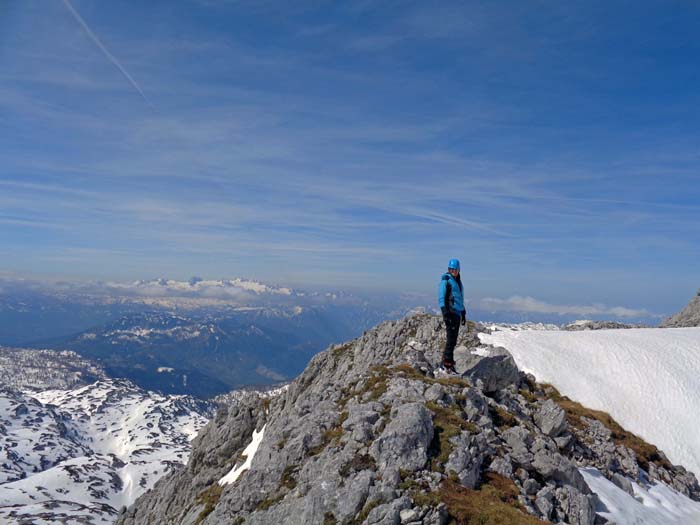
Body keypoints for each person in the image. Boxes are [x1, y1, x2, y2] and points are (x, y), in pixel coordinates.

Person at [438, 258, 466, 374]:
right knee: (450, 339)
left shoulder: (458, 282)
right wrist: (445, 313)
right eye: (451, 269)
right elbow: (441, 297)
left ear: (458, 270)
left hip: (457, 313)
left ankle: (448, 363)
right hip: (450, 313)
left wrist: (463, 312)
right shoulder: (446, 280)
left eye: (455, 269)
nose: (453, 271)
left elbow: (460, 298)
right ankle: (446, 365)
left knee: (453, 340)